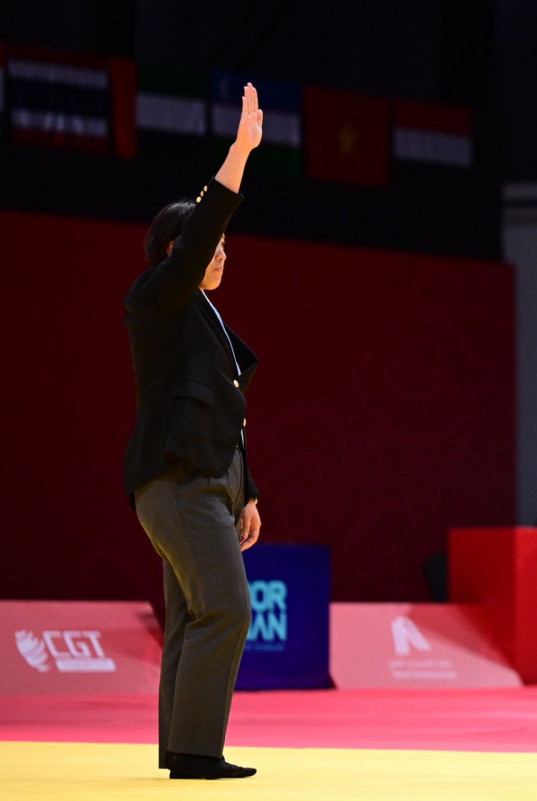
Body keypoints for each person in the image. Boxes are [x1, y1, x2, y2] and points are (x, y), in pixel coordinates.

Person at [123, 83, 264, 780]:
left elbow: (226, 411)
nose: (222, 254)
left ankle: (179, 748)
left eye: (226, 245)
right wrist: (239, 153)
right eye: (211, 244)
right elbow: (198, 237)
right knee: (229, 609)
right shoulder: (158, 299)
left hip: (207, 485)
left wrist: (249, 492)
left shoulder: (206, 321)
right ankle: (199, 752)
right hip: (179, 484)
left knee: (191, 616)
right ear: (177, 250)